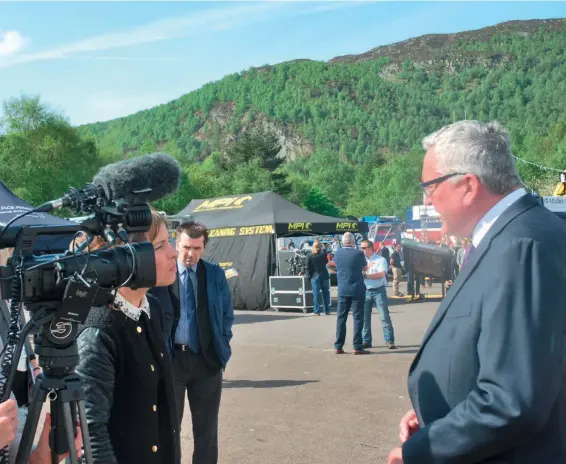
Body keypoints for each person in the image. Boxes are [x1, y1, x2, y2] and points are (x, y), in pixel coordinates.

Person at [389, 120, 566, 464]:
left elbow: (512, 400)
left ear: (468, 186)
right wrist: (440, 413)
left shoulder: (520, 246)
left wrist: (425, 450)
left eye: (429, 187)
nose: (427, 199)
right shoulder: (513, 235)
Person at [75, 208, 181, 464]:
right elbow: (92, 433)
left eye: (170, 242)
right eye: (160, 246)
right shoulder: (98, 329)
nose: (174, 252)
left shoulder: (150, 308)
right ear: (124, 258)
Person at [170, 221, 234, 464]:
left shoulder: (214, 274)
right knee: (170, 430)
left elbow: (226, 313)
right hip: (172, 360)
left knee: (206, 432)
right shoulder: (164, 274)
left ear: (204, 248)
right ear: (177, 244)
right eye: (186, 247)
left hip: (206, 360)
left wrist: (222, 344)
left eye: (197, 248)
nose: (190, 254)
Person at [333, 232, 368, 355]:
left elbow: (335, 265)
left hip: (343, 289)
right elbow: (364, 267)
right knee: (358, 318)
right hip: (357, 289)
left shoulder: (337, 253)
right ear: (353, 242)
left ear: (343, 242)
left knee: (341, 318)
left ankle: (338, 346)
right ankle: (357, 346)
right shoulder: (358, 253)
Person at [360, 240, 396, 349]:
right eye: (361, 247)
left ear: (370, 248)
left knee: (384, 316)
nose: (362, 250)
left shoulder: (381, 260)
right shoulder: (361, 261)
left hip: (379, 291)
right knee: (365, 318)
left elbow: (381, 274)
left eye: (364, 247)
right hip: (365, 290)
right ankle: (366, 340)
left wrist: (366, 275)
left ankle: (389, 340)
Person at [305, 239, 331, 315]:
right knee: (325, 294)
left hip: (315, 276)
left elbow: (308, 267)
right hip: (324, 275)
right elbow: (326, 262)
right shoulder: (323, 254)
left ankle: (317, 311)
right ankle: (327, 310)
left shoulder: (309, 255)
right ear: (320, 246)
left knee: (316, 294)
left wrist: (308, 277)